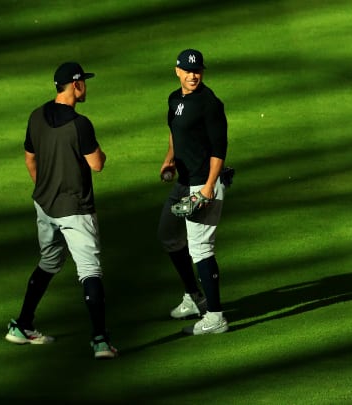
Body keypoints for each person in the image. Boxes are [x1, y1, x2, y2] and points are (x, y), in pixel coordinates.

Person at [5, 62, 117, 359]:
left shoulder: (36, 116)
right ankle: (100, 340)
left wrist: (46, 188)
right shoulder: (80, 124)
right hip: (75, 209)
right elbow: (97, 164)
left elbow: (30, 160)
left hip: (44, 205)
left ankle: (22, 325)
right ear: (77, 85)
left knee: (49, 262)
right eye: (84, 83)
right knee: (90, 272)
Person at [158, 49, 229, 335]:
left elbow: (219, 149)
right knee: (169, 236)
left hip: (203, 183)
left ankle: (215, 317)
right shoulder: (175, 99)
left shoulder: (210, 104)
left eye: (197, 70)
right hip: (183, 182)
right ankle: (194, 297)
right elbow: (175, 132)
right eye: (187, 70)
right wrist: (169, 159)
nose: (193, 75)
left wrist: (210, 186)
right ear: (177, 71)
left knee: (201, 248)